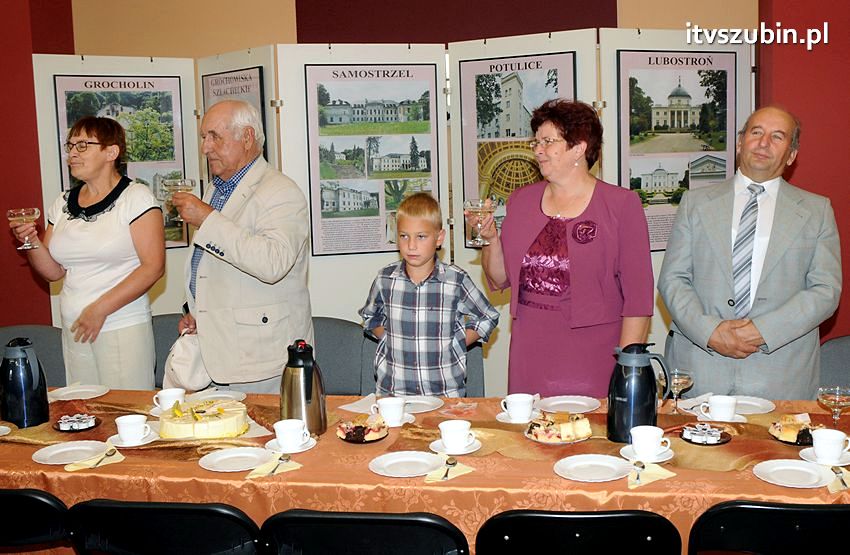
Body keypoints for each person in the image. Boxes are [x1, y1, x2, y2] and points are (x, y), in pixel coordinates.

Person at [468, 99, 653, 397]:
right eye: (536, 142)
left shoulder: (621, 205)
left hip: (594, 354)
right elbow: (500, 278)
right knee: (532, 439)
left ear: (578, 147)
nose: (538, 149)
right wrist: (490, 240)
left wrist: (627, 368)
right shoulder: (520, 201)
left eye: (548, 141)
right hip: (530, 349)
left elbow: (638, 301)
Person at [658, 106, 841, 400]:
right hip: (700, 371)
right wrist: (711, 332)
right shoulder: (695, 203)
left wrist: (761, 331)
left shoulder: (816, 211)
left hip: (781, 376)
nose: (764, 142)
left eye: (777, 136)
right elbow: (673, 280)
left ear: (791, 155)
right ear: (741, 143)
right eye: (756, 132)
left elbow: (825, 291)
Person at [9, 116, 164, 388]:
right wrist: (32, 242)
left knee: (125, 414)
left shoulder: (136, 197)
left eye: (83, 146)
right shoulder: (63, 202)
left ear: (111, 152)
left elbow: (153, 267)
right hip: (76, 327)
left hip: (120, 325)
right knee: (83, 413)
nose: (72, 154)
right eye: (70, 146)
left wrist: (100, 309)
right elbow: (53, 272)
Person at [172, 99, 313, 394]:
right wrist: (201, 313)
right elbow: (217, 271)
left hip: (259, 358)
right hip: (219, 348)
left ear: (246, 137)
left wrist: (208, 219)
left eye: (215, 137)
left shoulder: (281, 191)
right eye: (203, 137)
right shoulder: (217, 188)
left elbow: (273, 263)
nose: (205, 147)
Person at [359, 192, 499, 397]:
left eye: (421, 236)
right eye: (404, 236)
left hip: (444, 394)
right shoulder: (385, 279)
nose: (411, 245)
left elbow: (488, 316)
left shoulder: (455, 281)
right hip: (393, 395)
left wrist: (456, 342)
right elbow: (370, 316)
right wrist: (390, 338)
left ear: (439, 238)